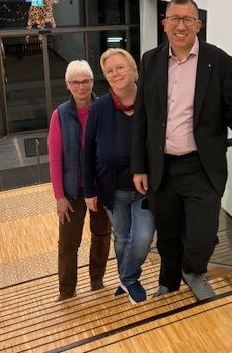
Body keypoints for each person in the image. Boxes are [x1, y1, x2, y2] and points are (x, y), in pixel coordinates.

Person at [131, 0, 232, 301]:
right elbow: (142, 117)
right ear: (164, 24)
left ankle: (193, 271)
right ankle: (168, 282)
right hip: (161, 165)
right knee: (167, 231)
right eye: (174, 19)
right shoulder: (150, 60)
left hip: (200, 165)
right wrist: (139, 166)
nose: (180, 26)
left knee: (203, 234)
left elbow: (230, 107)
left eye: (187, 19)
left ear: (198, 25)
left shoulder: (219, 61)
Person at [83, 49, 155, 305]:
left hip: (147, 189)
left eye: (120, 67)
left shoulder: (151, 101)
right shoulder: (99, 108)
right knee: (122, 237)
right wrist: (89, 191)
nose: (115, 74)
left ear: (134, 71)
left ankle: (126, 278)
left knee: (143, 238)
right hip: (113, 190)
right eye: (109, 71)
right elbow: (88, 152)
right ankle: (131, 280)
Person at [48, 60, 111, 301]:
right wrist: (59, 197)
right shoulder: (60, 115)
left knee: (101, 235)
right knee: (67, 244)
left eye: (85, 81)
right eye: (75, 82)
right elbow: (55, 159)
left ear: (93, 82)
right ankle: (67, 290)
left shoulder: (105, 108)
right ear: (67, 85)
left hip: (101, 188)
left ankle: (97, 280)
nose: (81, 86)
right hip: (72, 192)